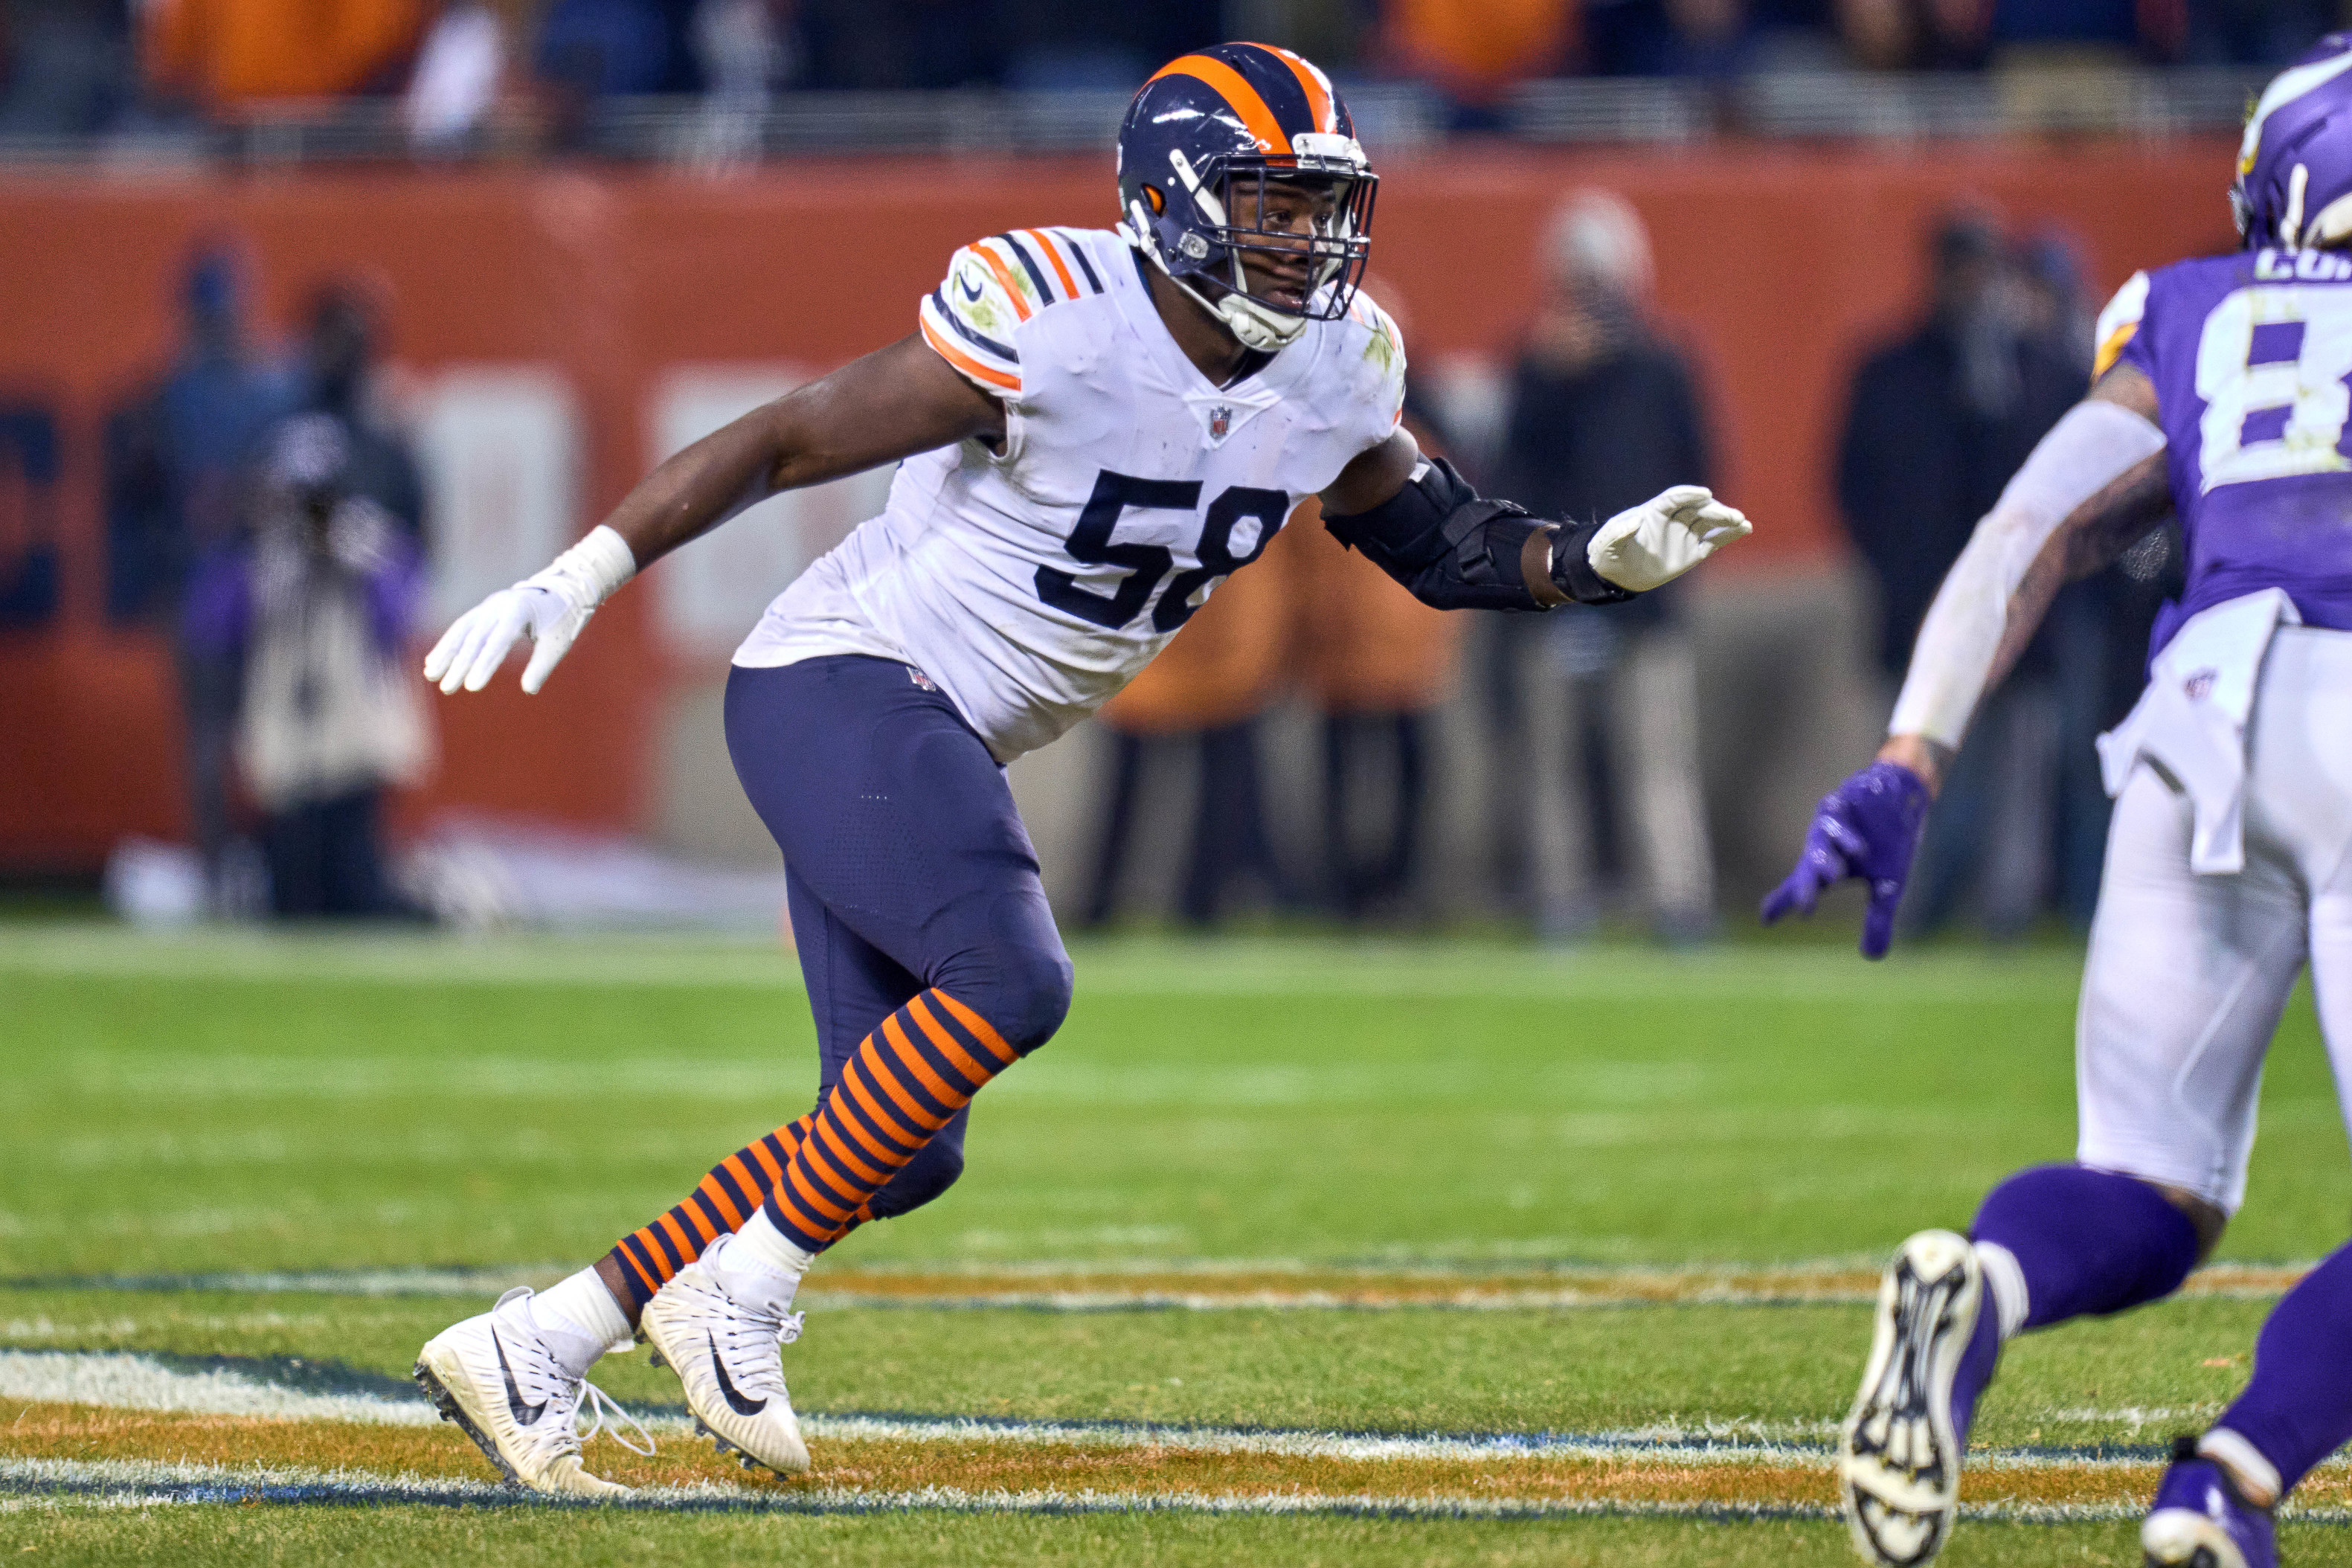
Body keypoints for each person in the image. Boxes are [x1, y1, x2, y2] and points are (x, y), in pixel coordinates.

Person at [411, 41, 1751, 1497]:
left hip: (937, 730)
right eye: (1274, 205)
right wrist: (584, 570)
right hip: (842, 681)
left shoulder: (1336, 365)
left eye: (1323, 208)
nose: (1310, 241)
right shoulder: (1056, 321)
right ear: (1175, 202)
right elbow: (793, 439)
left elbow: (1437, 541)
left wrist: (1591, 562)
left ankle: (540, 1340)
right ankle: (734, 1294)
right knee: (1015, 977)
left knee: (899, 1148)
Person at [1764, 38, 2352, 1568]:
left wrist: (1911, 755)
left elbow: (2030, 527)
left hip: (2197, 715)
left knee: (2146, 1189)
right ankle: (2228, 1478)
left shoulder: (2191, 307)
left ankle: (1987, 1292)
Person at [1837, 211, 2083, 937]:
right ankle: (1907, 908)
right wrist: (1897, 576)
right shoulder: (1891, 370)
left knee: (2017, 776)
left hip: (2022, 612)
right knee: (1918, 767)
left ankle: (2003, 914)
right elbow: (1855, 484)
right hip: (1924, 610)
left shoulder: (2041, 370)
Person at [1490, 190, 1719, 942]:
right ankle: (1563, 900)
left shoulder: (1662, 366)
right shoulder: (1534, 368)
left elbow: (1698, 472)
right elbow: (1508, 475)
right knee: (1552, 765)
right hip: (1555, 588)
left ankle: (1678, 901)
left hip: (1643, 599)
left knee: (1656, 760)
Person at [182, 414, 432, 917]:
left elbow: (402, 618)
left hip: (351, 731)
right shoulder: (259, 553)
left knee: (356, 876)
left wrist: (358, 565)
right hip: (288, 731)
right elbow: (211, 627)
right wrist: (268, 577)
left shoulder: (368, 543)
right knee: (290, 880)